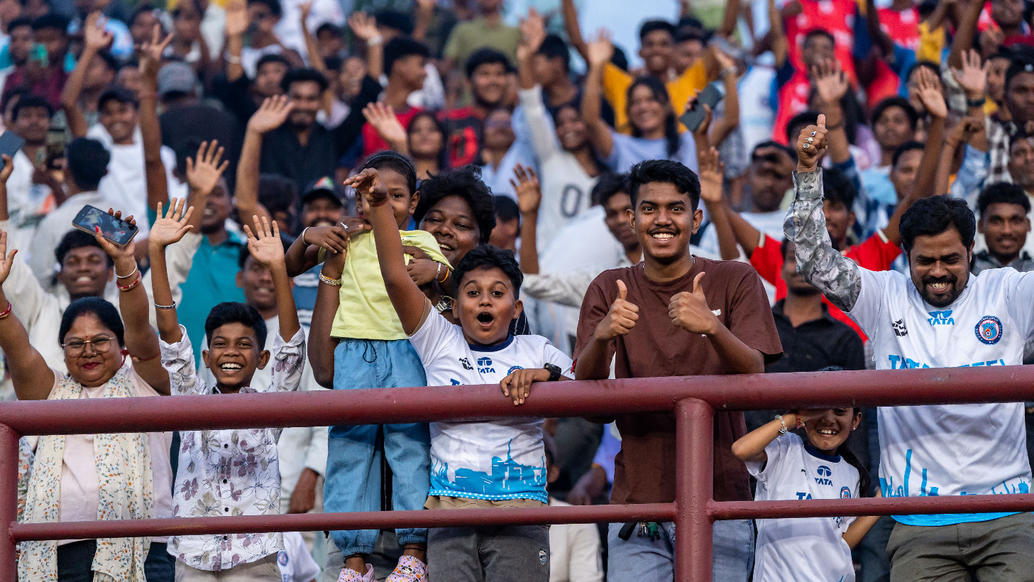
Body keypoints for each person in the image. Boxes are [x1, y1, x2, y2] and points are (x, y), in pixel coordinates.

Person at [788, 114, 1034, 580]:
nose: (938, 271)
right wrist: (806, 174)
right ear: (905, 255)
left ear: (970, 251)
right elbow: (814, 261)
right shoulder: (884, 295)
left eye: (950, 259)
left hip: (1008, 513)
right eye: (925, 260)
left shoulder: (1006, 291)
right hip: (918, 521)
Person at [355, 164, 571, 582]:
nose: (484, 301)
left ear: (517, 308)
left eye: (497, 294)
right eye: (472, 293)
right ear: (455, 306)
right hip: (450, 517)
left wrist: (545, 375)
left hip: (522, 514)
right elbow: (396, 278)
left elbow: (589, 387)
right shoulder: (439, 340)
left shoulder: (537, 348)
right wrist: (380, 206)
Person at [574, 159, 782, 580]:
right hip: (639, 503)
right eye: (649, 209)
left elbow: (756, 375)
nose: (662, 220)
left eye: (676, 208)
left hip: (721, 498)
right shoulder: (607, 287)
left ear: (696, 218)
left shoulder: (735, 278)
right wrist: (602, 335)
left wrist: (712, 326)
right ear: (632, 219)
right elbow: (590, 403)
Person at [0, 212, 174, 580]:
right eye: (76, 344)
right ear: (62, 351)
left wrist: (125, 264)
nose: (88, 351)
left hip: (146, 548)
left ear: (122, 347)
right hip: (61, 551)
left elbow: (141, 329)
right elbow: (18, 350)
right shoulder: (51, 391)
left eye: (100, 341)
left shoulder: (144, 378)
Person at [303, 152, 449, 582]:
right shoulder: (347, 239)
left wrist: (436, 269)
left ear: (414, 200)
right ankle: (353, 558)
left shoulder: (420, 242)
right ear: (356, 200)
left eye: (395, 196)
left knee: (409, 447)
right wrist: (313, 230)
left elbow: (449, 274)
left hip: (407, 348)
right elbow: (300, 251)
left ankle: (413, 551)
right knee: (351, 449)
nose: (381, 203)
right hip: (352, 349)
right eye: (368, 196)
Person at [150, 201, 305, 580]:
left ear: (262, 358)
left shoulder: (271, 408)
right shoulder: (190, 400)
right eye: (221, 344)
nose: (231, 352)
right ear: (206, 354)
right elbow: (170, 337)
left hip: (254, 555)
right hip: (193, 553)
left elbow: (292, 347)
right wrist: (156, 251)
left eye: (243, 344)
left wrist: (278, 268)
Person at [731, 408, 879, 582]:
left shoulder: (852, 473)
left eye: (839, 411)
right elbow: (741, 449)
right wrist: (793, 418)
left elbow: (842, 542)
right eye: (818, 410)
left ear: (855, 421)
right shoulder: (786, 448)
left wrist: (881, 501)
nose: (828, 419)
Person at [581, 33, 698, 174]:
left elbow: (729, 120)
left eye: (651, 99)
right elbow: (591, 120)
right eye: (635, 103)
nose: (643, 107)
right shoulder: (622, 146)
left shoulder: (688, 141)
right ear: (628, 111)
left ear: (667, 106)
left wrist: (728, 72)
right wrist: (597, 66)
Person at [972, 182, 1034, 273]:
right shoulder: (965, 271)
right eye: (996, 221)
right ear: (980, 226)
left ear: (1028, 224)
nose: (1006, 231)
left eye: (1015, 221)